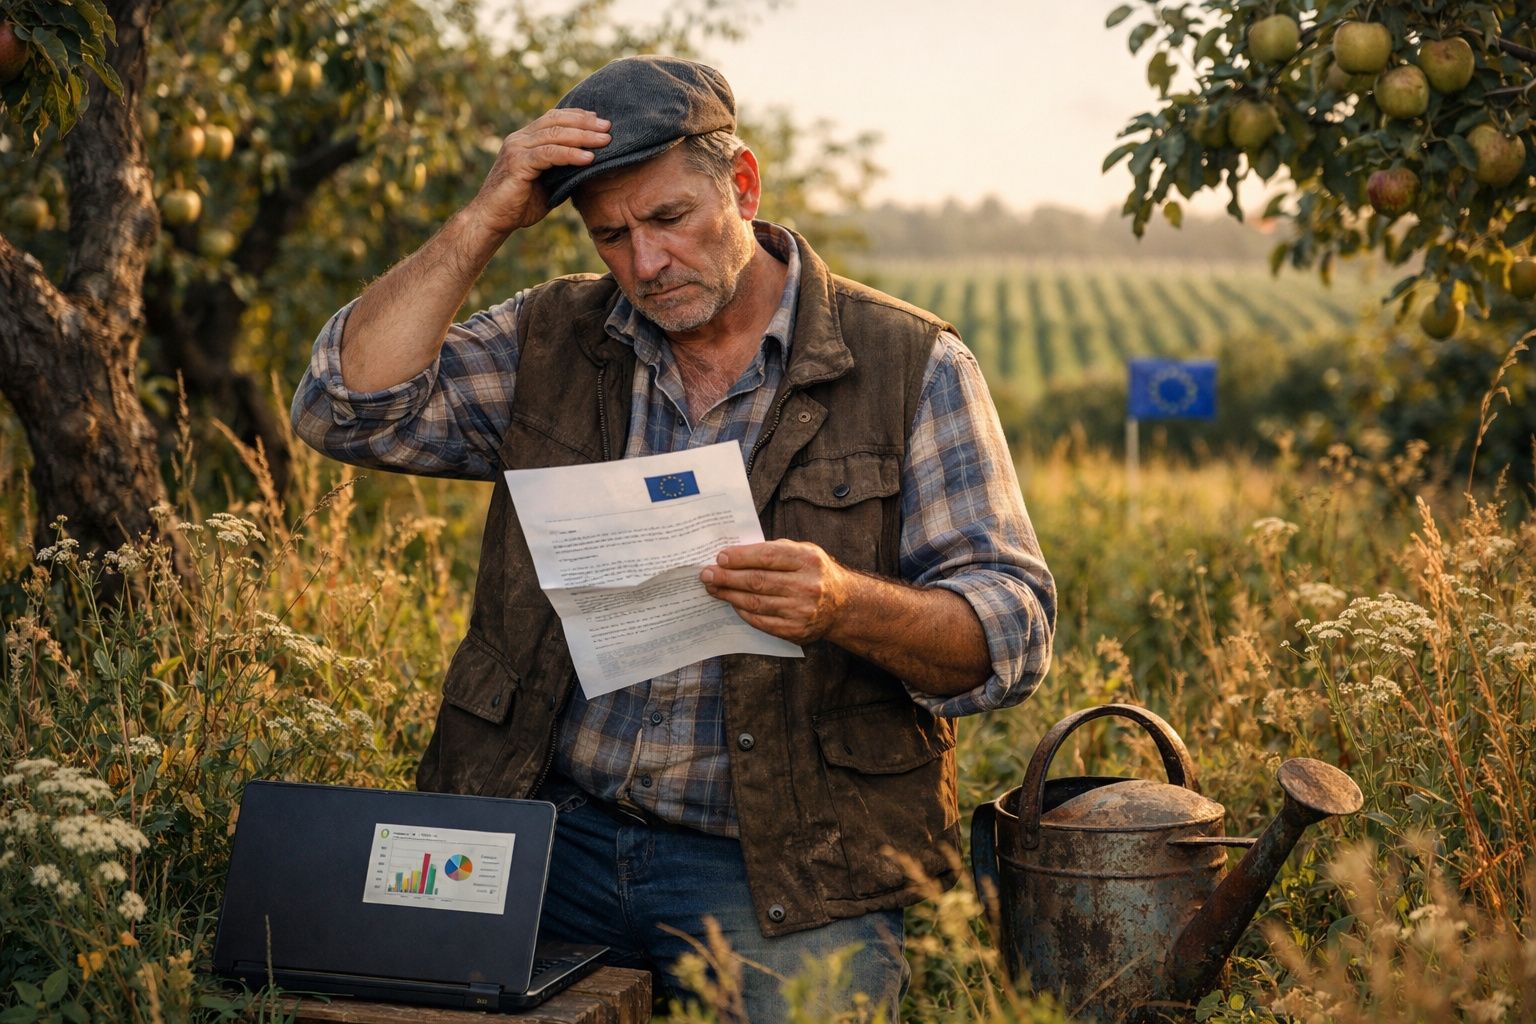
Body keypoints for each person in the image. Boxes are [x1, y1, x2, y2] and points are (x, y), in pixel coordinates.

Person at [292, 55, 1055, 1022]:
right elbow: (345, 410)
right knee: (345, 993)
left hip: (785, 863)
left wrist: (844, 603)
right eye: (611, 235)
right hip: (547, 830)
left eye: (667, 220)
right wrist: (484, 219)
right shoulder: (556, 337)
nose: (644, 263)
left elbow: (1011, 632)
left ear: (741, 185)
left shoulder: (910, 364)